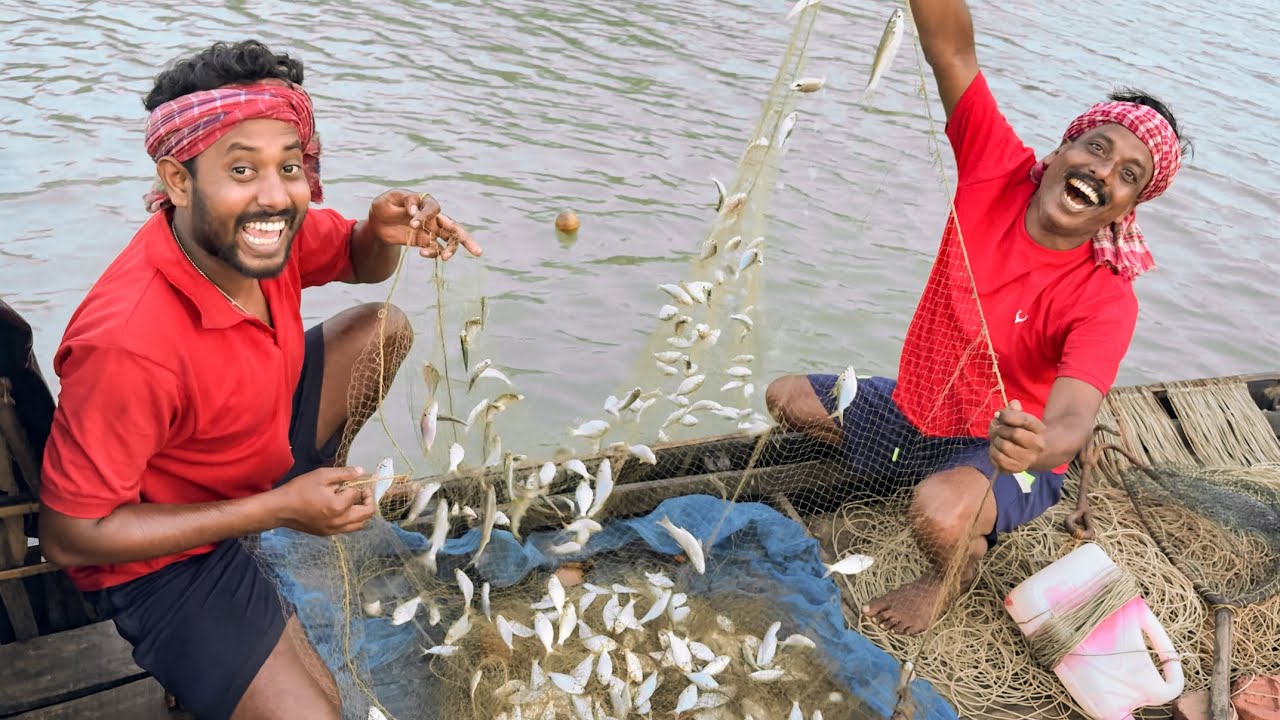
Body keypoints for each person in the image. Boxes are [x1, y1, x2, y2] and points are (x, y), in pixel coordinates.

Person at [36, 40, 480, 719]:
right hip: (164, 557)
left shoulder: (265, 231)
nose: (274, 194)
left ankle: (292, 510)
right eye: (241, 168)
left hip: (250, 450)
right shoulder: (128, 342)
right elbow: (71, 537)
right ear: (178, 180)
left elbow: (360, 262)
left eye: (291, 165)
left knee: (382, 331)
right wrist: (277, 510)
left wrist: (381, 230)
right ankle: (273, 532)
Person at [765, 0, 1188, 636]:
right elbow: (953, 52)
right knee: (786, 398)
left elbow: (1072, 421)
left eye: (1128, 175)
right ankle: (922, 472)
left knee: (939, 513)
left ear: (1127, 207)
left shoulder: (1107, 298)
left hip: (1007, 448)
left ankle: (952, 573)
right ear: (1061, 148)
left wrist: (1036, 444)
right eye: (1096, 148)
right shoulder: (996, 166)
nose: (1102, 171)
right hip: (919, 406)